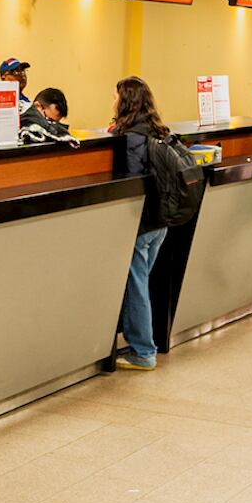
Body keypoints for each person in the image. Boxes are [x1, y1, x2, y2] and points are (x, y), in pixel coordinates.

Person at [110, 77, 175, 370]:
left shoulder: (131, 138)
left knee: (136, 287)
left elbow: (132, 181)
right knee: (139, 284)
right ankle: (136, 339)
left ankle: (143, 351)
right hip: (161, 220)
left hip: (142, 222)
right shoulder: (160, 131)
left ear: (124, 101)